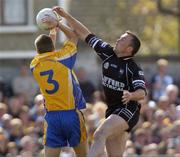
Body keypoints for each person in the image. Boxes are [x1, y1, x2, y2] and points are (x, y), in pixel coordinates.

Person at [53, 6, 147, 157]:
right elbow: (85, 33)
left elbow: (142, 92)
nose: (118, 39)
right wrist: (64, 15)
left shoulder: (133, 67)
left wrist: (131, 95)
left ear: (129, 49)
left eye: (122, 39)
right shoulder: (108, 53)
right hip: (112, 110)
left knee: (99, 134)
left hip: (128, 110)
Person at [30, 16, 88, 157]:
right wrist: (58, 24)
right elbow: (73, 36)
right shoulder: (63, 59)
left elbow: (46, 53)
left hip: (52, 117)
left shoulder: (34, 65)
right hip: (71, 114)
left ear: (37, 51)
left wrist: (52, 34)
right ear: (53, 48)